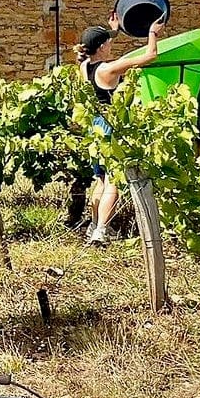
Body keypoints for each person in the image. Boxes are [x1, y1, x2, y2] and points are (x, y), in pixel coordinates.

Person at [75, 14, 163, 246]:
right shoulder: (109, 69)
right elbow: (151, 56)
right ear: (102, 47)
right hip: (110, 126)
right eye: (109, 42)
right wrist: (152, 33)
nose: (112, 45)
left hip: (95, 127)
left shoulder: (84, 66)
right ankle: (101, 232)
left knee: (101, 180)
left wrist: (113, 31)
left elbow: (96, 45)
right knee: (113, 180)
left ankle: (94, 225)